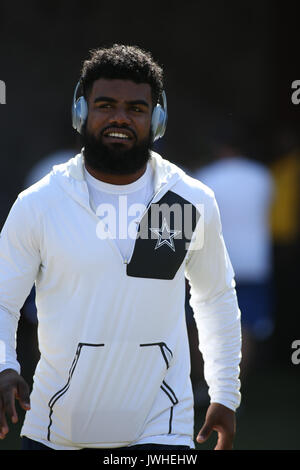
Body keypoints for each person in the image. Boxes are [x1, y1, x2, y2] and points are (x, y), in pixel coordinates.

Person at [0, 44, 241, 451]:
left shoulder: (181, 200)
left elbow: (214, 297)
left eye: (136, 109)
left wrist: (225, 392)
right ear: (82, 112)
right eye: (105, 105)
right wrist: (5, 366)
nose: (119, 118)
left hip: (161, 425)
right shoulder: (42, 202)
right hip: (57, 428)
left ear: (157, 119)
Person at [194, 123, 275, 378]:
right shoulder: (263, 176)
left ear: (219, 147)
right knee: (246, 326)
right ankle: (234, 389)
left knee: (206, 322)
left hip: (216, 260)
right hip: (254, 261)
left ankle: (207, 387)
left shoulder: (206, 176)